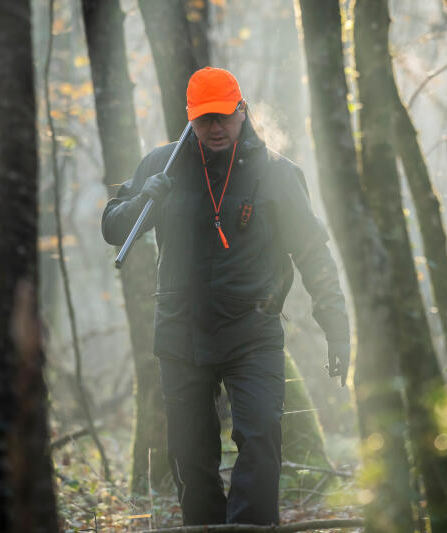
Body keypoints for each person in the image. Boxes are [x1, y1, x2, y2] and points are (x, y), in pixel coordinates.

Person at [101, 66, 350, 526]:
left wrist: (335, 323)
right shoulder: (161, 165)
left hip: (252, 333)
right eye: (203, 119)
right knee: (191, 458)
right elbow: (113, 227)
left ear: (242, 111)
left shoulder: (277, 172)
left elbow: (313, 252)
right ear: (189, 119)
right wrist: (143, 201)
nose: (214, 128)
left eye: (223, 117)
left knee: (261, 439)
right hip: (180, 332)